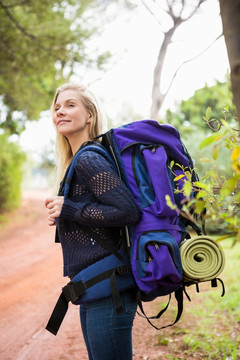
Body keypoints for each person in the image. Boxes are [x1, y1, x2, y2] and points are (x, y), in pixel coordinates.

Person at [45, 83, 141, 360]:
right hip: (96, 287)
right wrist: (67, 213)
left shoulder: (88, 158)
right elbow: (100, 213)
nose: (60, 111)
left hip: (109, 289)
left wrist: (72, 209)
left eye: (70, 105)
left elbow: (126, 211)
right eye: (57, 107)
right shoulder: (78, 160)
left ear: (90, 115)